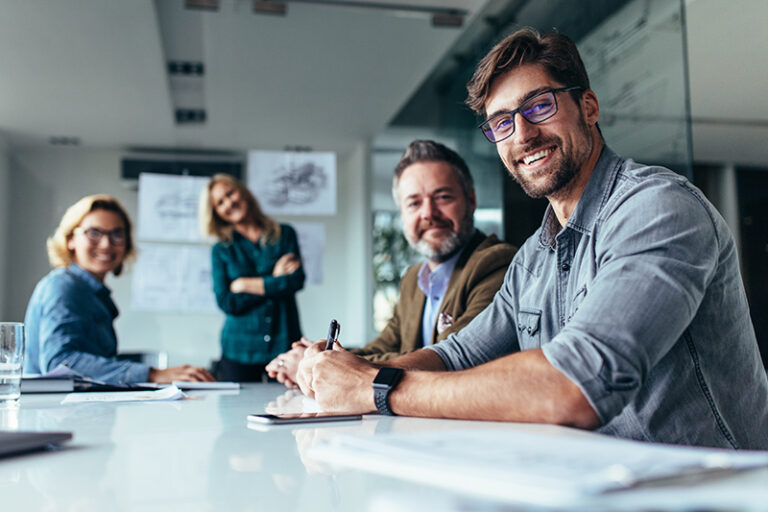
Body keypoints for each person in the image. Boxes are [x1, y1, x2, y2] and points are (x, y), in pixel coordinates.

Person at [295, 28, 768, 449]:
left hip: (711, 491)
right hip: (597, 484)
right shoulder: (533, 257)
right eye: (502, 122)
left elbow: (576, 384)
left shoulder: (657, 207)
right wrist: (347, 376)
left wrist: (379, 388)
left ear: (588, 107)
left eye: (539, 105)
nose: (522, 133)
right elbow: (456, 354)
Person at [266, 141, 516, 387]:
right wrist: (321, 359)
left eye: (442, 197)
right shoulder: (413, 279)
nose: (428, 213)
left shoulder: (496, 264)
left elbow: (450, 358)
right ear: (403, 213)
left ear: (471, 200)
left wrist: (322, 364)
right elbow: (385, 346)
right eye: (414, 203)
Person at [24, 194, 215, 384]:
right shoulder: (64, 287)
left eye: (117, 234)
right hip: (53, 412)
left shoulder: (91, 293)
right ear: (70, 239)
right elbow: (60, 364)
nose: (106, 244)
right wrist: (152, 374)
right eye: (94, 233)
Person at [200, 173, 305, 382]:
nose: (229, 202)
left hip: (284, 343)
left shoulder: (284, 234)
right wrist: (273, 278)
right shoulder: (221, 250)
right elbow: (227, 302)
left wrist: (244, 284)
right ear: (216, 213)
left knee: (290, 408)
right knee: (233, 413)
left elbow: (295, 281)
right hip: (239, 350)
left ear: (242, 192)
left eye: (230, 193)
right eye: (220, 202)